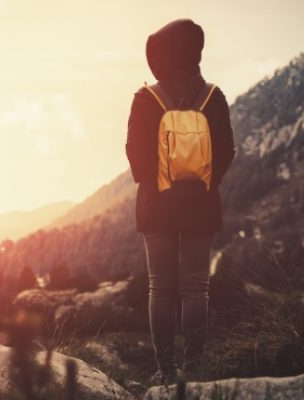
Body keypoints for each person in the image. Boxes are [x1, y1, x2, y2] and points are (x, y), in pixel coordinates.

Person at [125, 19, 236, 384]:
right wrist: (204, 182)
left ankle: (165, 371)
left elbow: (136, 156)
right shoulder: (213, 97)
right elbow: (227, 152)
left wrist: (157, 183)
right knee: (195, 287)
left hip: (156, 207)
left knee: (161, 287)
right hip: (201, 207)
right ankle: (195, 369)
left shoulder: (146, 98)